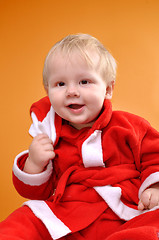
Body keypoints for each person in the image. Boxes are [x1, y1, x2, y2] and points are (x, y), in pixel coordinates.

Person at [1, 33, 159, 240]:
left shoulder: (130, 126)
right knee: (23, 221)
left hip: (126, 211)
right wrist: (33, 163)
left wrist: (155, 187)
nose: (72, 91)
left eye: (84, 82)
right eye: (60, 84)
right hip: (69, 213)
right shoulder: (50, 135)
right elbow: (36, 192)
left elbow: (155, 157)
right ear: (47, 90)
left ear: (108, 89)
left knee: (151, 224)